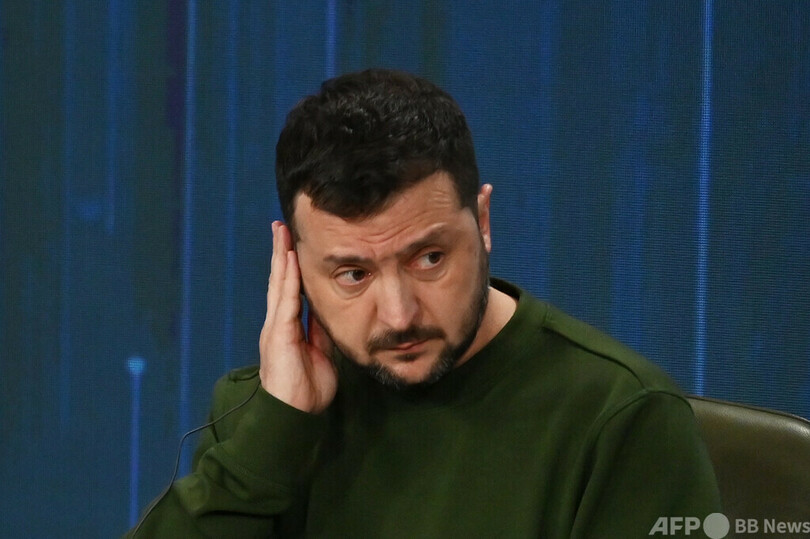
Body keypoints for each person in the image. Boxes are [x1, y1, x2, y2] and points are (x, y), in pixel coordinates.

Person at [127, 69, 721, 538]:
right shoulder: (265, 415)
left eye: (429, 258)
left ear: (482, 221)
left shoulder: (620, 418)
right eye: (353, 274)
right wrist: (273, 435)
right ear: (294, 266)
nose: (399, 315)